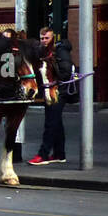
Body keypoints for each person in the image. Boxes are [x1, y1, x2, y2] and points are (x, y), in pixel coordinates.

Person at [28, 27, 73, 165]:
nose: (44, 41)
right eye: (42, 38)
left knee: (51, 122)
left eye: (46, 38)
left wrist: (53, 79)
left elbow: (65, 72)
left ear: (53, 37)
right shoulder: (41, 51)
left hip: (58, 91)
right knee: (56, 122)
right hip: (49, 90)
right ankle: (60, 154)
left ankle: (43, 154)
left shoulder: (60, 51)